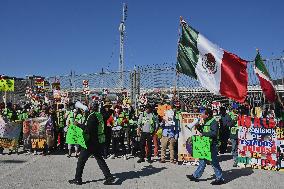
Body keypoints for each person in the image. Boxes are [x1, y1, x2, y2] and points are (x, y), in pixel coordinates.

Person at [68, 103, 115, 185]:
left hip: (90, 143)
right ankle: (109, 177)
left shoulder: (92, 117)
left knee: (81, 161)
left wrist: (78, 124)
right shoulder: (99, 115)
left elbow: (87, 129)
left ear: (91, 108)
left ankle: (78, 179)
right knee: (100, 160)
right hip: (97, 141)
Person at [187, 108, 225, 185]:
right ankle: (196, 175)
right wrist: (198, 126)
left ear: (207, 115)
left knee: (214, 162)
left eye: (203, 114)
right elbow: (203, 131)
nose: (201, 115)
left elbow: (214, 133)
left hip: (212, 145)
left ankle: (220, 178)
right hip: (205, 144)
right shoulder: (206, 121)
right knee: (202, 160)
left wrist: (203, 134)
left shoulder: (214, 122)